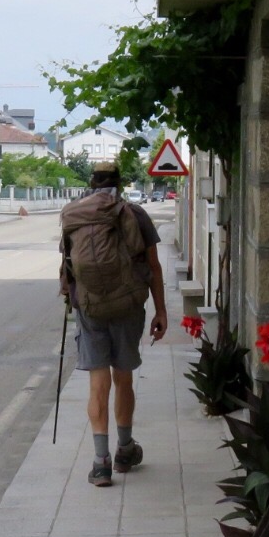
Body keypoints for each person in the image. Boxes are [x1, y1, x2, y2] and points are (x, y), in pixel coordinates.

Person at [58, 166, 167, 485]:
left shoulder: (74, 214)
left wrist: (71, 299)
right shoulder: (135, 213)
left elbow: (67, 266)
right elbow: (153, 266)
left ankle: (100, 463)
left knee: (98, 383)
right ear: (120, 183)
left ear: (91, 184)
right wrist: (161, 311)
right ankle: (125, 450)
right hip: (127, 305)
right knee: (123, 378)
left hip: (90, 307)